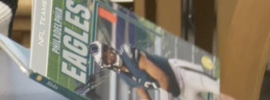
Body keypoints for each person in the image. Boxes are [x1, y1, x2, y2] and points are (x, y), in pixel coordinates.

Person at [89, 41, 219, 100]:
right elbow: (143, 94)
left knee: (222, 89)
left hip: (181, 75)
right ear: (105, 64)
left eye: (106, 50)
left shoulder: (128, 54)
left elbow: (163, 78)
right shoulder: (123, 76)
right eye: (105, 57)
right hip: (180, 93)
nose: (109, 54)